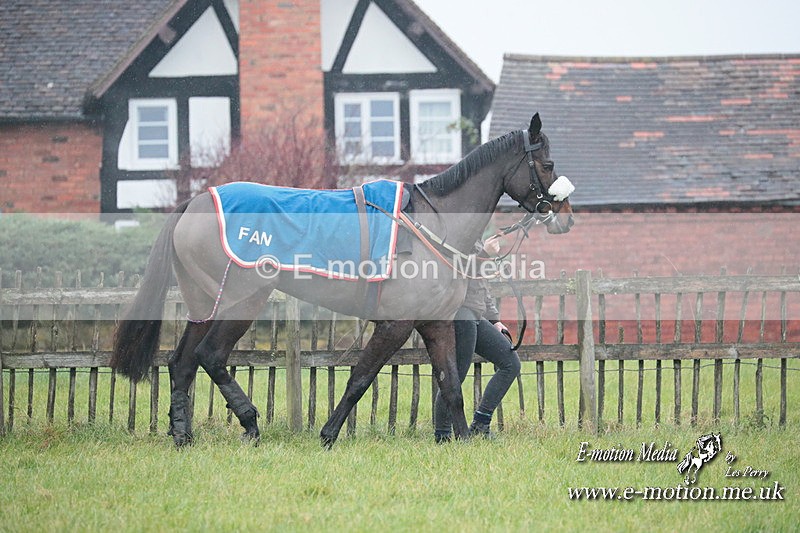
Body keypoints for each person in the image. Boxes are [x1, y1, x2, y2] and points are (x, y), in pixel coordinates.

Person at [433, 235, 522, 442]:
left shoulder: (476, 237)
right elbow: (459, 272)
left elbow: (481, 285)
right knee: (454, 377)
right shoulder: (453, 236)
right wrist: (484, 255)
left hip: (476, 315)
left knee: (510, 363)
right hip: (459, 313)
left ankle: (480, 425)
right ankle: (442, 435)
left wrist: (495, 320)